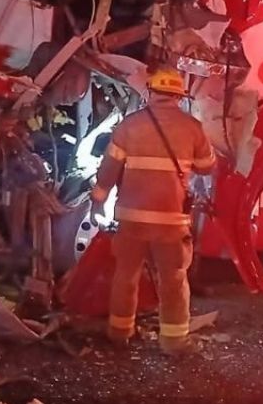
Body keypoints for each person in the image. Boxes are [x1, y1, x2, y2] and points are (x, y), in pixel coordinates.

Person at [90, 66, 216, 355]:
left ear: (150, 92)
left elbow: (108, 169)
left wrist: (98, 198)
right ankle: (173, 342)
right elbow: (207, 167)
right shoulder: (192, 128)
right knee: (173, 279)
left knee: (126, 275)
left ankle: (120, 333)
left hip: (131, 218)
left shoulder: (129, 126)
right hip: (171, 223)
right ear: (178, 96)